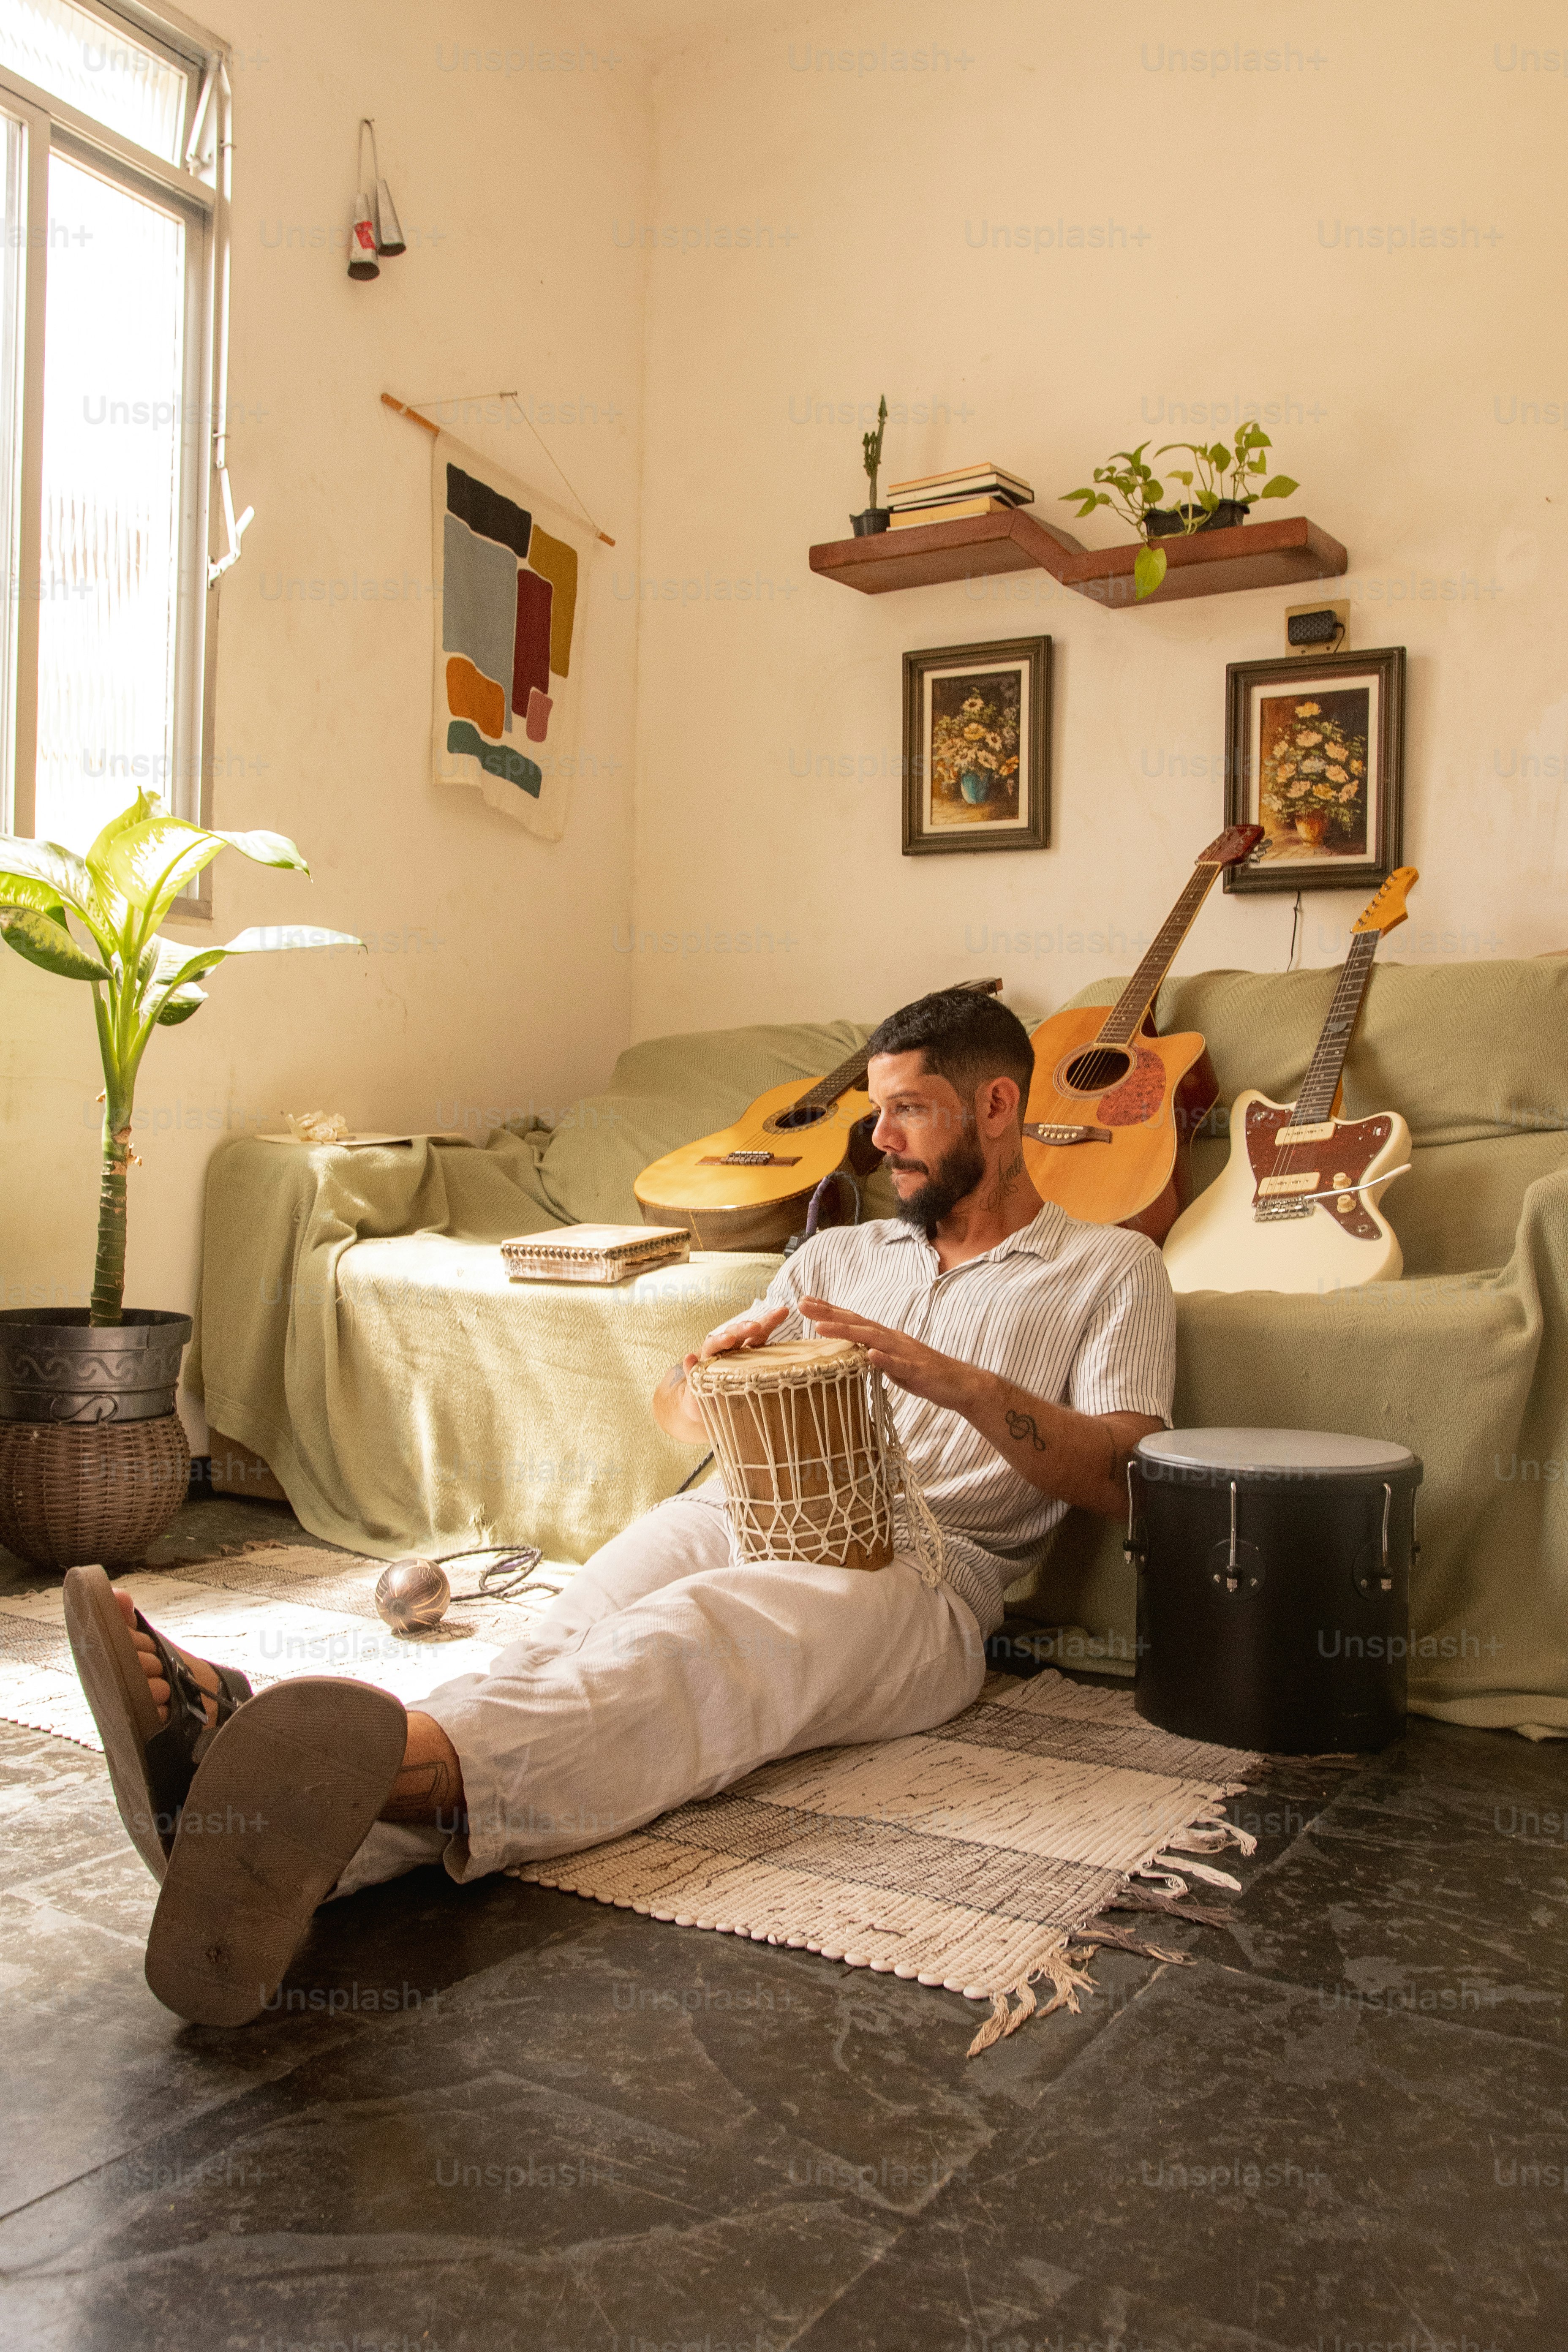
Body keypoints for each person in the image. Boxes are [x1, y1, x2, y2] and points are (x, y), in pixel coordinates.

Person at [67, 986, 1176, 2025]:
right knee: (547, 1653)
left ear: (998, 1105)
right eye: (875, 1112)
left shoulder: (1109, 1269)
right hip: (744, 1511)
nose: (877, 1140)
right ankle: (270, 1839)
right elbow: (676, 1416)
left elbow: (1130, 1479)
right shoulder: (841, 1254)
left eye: (907, 1112)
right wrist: (708, 1373)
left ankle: (267, 1751)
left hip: (921, 1577)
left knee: (681, 1644)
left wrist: (960, 1383)